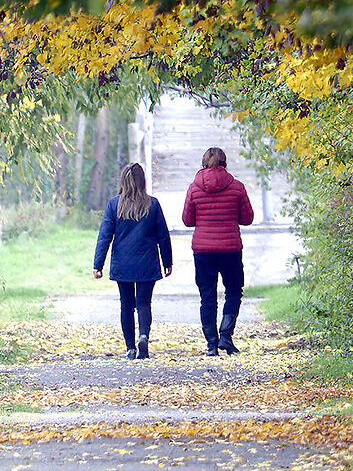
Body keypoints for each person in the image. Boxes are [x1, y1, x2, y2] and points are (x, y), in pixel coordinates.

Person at [92, 161, 173, 360]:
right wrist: (167, 261)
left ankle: (130, 347)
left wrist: (98, 265)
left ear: (123, 181)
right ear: (142, 181)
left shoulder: (114, 204)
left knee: (126, 305)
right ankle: (143, 335)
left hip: (123, 264)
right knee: (144, 302)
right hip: (147, 262)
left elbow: (105, 236)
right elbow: (163, 235)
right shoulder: (152, 204)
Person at [180, 145, 255, 356]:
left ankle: (211, 344)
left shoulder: (194, 188)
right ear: (225, 163)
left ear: (204, 164)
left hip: (203, 250)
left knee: (207, 296)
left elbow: (187, 220)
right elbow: (247, 219)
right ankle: (226, 336)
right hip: (230, 248)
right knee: (233, 291)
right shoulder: (237, 187)